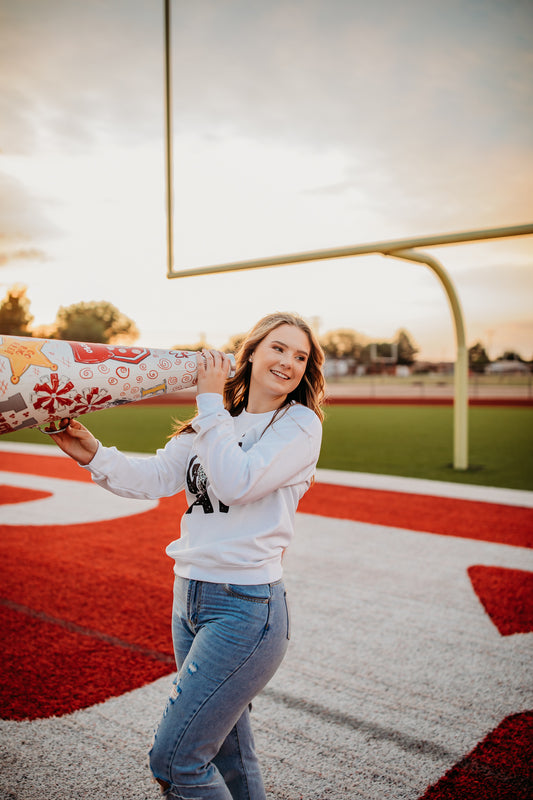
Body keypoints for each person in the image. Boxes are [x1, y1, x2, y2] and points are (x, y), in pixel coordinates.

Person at [51, 311, 325, 800]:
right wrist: (91, 452)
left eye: (300, 356)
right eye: (278, 348)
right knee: (228, 756)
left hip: (247, 608)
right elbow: (155, 478)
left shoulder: (300, 425)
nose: (288, 362)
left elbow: (238, 482)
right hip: (190, 599)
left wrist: (208, 402)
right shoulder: (214, 422)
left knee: (176, 760)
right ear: (252, 353)